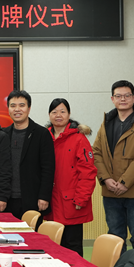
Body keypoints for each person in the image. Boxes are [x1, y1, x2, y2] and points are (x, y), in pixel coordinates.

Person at [92, 80, 134, 252]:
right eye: (118, 96)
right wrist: (106, 179)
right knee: (115, 237)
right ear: (112, 99)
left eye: (127, 95)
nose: (123, 99)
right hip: (111, 191)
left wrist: (124, 182)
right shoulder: (107, 122)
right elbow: (96, 152)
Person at [45, 98, 96, 256]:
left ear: (69, 114)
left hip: (73, 202)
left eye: (62, 111)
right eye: (54, 112)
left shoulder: (79, 138)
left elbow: (88, 172)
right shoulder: (45, 137)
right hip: (51, 202)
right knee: (54, 247)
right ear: (49, 115)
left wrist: (81, 198)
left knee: (72, 247)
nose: (58, 115)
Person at [3, 90, 55, 222]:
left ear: (29, 108)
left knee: (32, 234)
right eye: (13, 105)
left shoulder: (41, 134)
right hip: (7, 201)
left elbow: (48, 168)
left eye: (22, 105)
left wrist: (44, 196)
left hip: (33, 199)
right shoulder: (3, 134)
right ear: (8, 109)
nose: (17, 109)